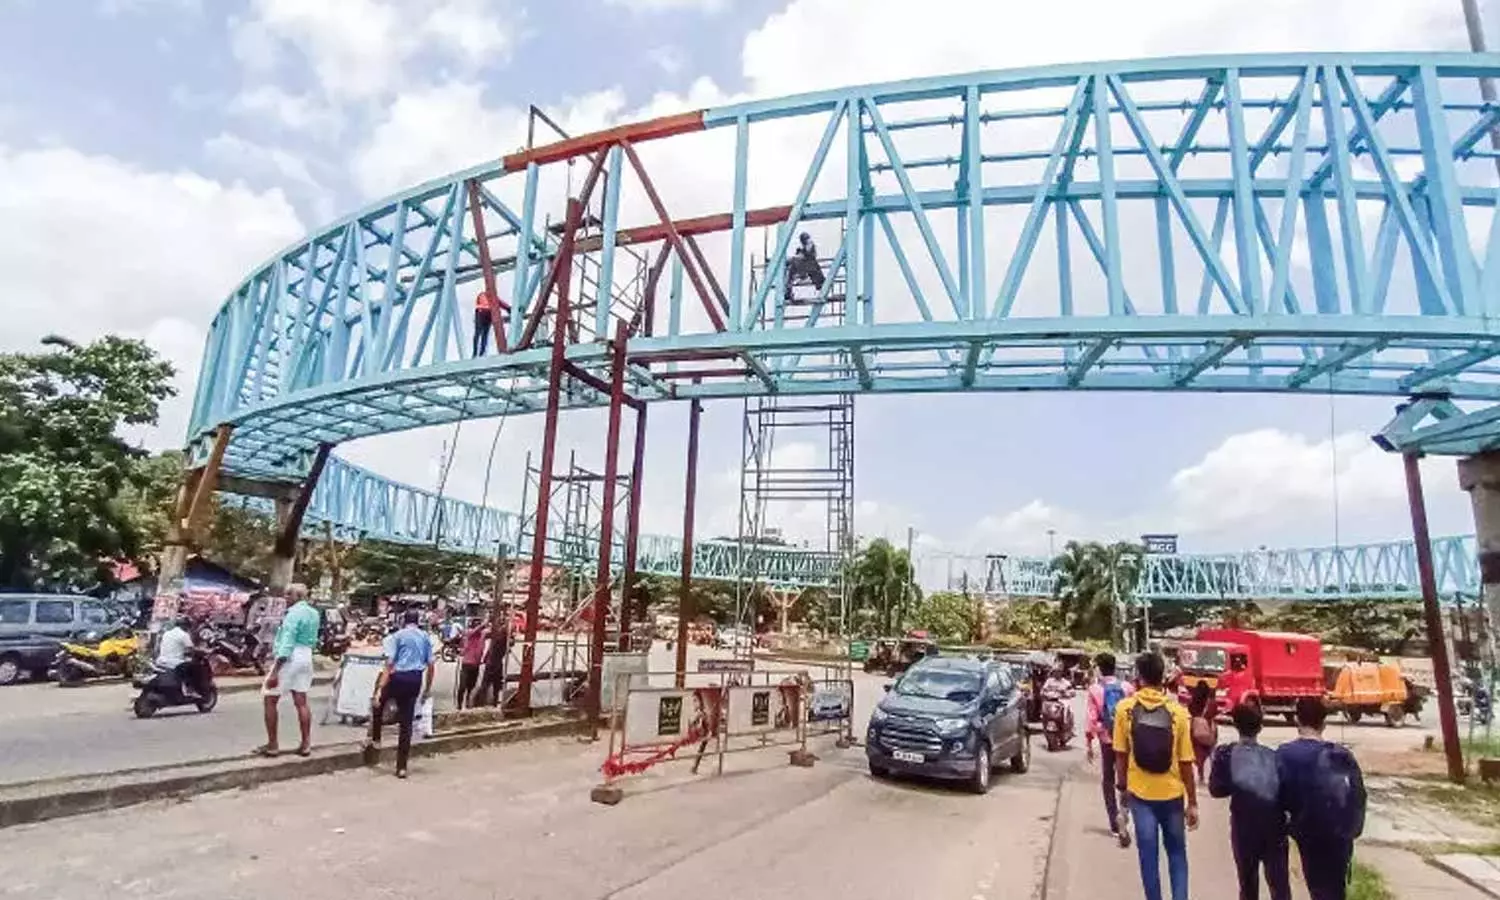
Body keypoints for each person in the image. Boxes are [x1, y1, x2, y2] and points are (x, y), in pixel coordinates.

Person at [1112, 651, 1198, 900]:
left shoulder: (1124, 709)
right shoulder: (1178, 712)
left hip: (1140, 796)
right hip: (1172, 795)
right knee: (1177, 855)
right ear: (1163, 677)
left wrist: (1122, 794)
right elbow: (1186, 763)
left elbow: (1120, 755)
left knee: (1148, 858)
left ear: (1138, 677)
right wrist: (1192, 802)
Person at [1277, 697, 1367, 900]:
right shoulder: (1342, 755)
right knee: (1336, 889)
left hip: (1308, 831)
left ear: (1297, 721)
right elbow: (1359, 794)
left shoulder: (1285, 754)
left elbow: (1280, 796)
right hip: (1340, 833)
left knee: (1318, 887)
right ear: (1324, 723)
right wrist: (1353, 829)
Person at [1209, 702, 1290, 900]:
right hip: (1275, 826)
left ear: (1235, 725)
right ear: (1260, 727)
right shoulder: (1274, 756)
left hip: (1244, 826)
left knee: (1248, 884)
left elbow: (1216, 790)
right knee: (1279, 884)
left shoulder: (1226, 754)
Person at [368, 609, 435, 778]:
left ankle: (376, 739)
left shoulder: (397, 636)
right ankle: (401, 767)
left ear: (403, 621)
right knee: (406, 724)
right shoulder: (425, 637)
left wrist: (379, 690)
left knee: (379, 704)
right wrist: (427, 688)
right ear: (418, 621)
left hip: (398, 677)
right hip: (415, 679)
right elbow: (431, 665)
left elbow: (389, 664)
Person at [256, 584, 320, 758]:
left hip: (290, 656)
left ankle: (272, 744)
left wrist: (276, 669)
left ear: (296, 596)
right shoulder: (314, 613)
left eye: (288, 594)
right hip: (306, 655)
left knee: (270, 698)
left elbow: (288, 641)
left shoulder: (293, 614)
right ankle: (306, 743)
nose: (285, 597)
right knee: (301, 701)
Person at [1086, 652, 1136, 843]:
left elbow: (1091, 719)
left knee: (1108, 779)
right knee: (1127, 778)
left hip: (1107, 740)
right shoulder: (1127, 687)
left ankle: (1114, 823)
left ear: (1099, 668)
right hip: (1127, 740)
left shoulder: (1095, 690)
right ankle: (1125, 812)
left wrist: (1089, 742)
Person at [156, 615, 206, 698]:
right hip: (175, 662)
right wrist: (203, 651)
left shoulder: (167, 633)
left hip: (161, 660)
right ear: (185, 626)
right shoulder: (183, 635)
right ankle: (189, 689)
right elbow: (191, 649)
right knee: (195, 668)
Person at [1187, 681, 1219, 785]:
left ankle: (1200, 775)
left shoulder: (1192, 702)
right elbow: (1214, 713)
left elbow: (1190, 711)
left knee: (1198, 753)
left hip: (1195, 728)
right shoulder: (1211, 703)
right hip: (1208, 728)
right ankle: (1213, 776)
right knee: (1210, 753)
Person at [478, 610, 511, 707]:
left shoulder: (500, 635)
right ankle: (491, 703)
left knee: (490, 684)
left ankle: (490, 703)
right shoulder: (499, 635)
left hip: (493, 662)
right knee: (492, 685)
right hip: (494, 662)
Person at [782, 231, 826, 301]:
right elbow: (802, 255)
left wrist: (794, 258)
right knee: (791, 269)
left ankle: (802, 277)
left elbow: (807, 255)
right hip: (807, 266)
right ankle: (788, 291)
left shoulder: (810, 244)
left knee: (795, 262)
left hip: (810, 266)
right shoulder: (805, 247)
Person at [456, 617, 488, 710]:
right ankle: (459, 705)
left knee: (471, 687)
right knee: (462, 687)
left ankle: (467, 704)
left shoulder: (482, 635)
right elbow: (474, 631)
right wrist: (483, 624)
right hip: (467, 664)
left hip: (476, 665)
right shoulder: (470, 633)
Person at [473, 289, 497, 356]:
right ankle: (479, 352)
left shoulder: (483, 295)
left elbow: (478, 304)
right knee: (482, 334)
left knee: (481, 334)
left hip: (484, 314)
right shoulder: (486, 295)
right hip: (484, 314)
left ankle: (478, 352)